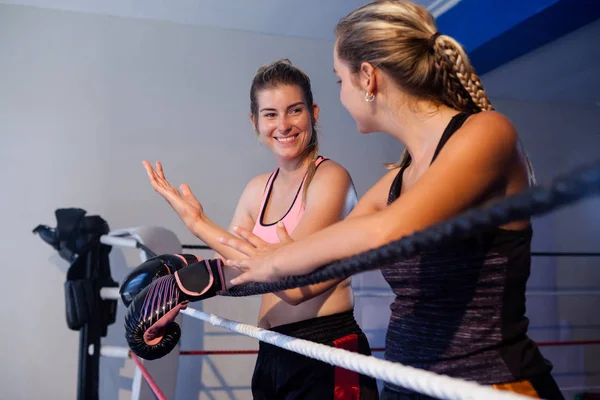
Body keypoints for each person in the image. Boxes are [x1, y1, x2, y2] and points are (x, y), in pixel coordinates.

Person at [220, 2, 565, 399]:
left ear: (367, 78)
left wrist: (274, 257)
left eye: (339, 81)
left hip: (491, 385)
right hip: (406, 386)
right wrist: (182, 284)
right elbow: (308, 275)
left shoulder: (486, 133)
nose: (342, 96)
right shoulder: (394, 184)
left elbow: (390, 229)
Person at [138, 59, 379, 399]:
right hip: (271, 350)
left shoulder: (330, 179)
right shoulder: (257, 189)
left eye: (294, 110)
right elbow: (235, 268)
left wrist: (197, 223)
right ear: (255, 122)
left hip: (326, 350)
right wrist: (172, 297)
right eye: (270, 114)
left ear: (314, 112)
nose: (283, 125)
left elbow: (293, 283)